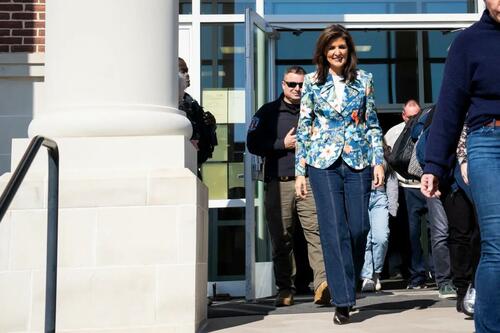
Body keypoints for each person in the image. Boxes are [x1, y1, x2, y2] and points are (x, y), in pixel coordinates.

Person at [294, 24, 384, 325]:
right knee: (334, 230)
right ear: (323, 52)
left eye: (342, 47)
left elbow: (372, 124)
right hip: (323, 163)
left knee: (358, 229)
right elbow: (304, 128)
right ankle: (343, 300)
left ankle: (349, 280)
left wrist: (378, 161)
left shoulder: (365, 81)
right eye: (331, 47)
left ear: (349, 51)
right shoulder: (311, 82)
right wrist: (300, 172)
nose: (337, 52)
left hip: (358, 161)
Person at [421, 1, 500, 331]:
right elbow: (450, 107)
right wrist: (434, 164)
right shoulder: (468, 42)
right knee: (497, 244)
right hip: (488, 143)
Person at [247, 66, 329, 307]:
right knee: (281, 238)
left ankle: (323, 285)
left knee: (316, 234)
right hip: (280, 183)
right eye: (292, 84)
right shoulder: (268, 112)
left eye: (301, 85)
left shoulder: (315, 111)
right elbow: (252, 143)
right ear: (283, 85)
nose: (297, 89)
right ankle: (285, 289)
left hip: (310, 182)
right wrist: (281, 143)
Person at [360, 142, 398, 292]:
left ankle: (376, 272)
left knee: (381, 236)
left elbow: (392, 179)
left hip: (379, 196)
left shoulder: (383, 153)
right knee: (366, 238)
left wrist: (393, 205)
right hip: (360, 196)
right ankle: (367, 276)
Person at [178, 57, 218, 177]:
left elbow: (204, 150)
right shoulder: (167, 103)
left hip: (192, 167)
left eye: (187, 71)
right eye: (183, 71)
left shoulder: (191, 104)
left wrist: (211, 127)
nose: (187, 75)